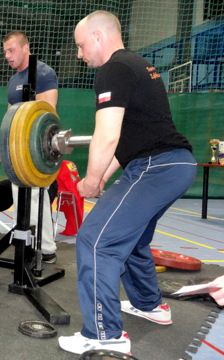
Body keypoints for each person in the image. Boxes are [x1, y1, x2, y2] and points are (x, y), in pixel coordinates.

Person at [57, 11, 196, 356]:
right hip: (176, 164)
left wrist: (89, 181)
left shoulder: (114, 69)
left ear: (99, 37)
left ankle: (104, 336)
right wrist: (103, 176)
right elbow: (129, 139)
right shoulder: (138, 66)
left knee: (94, 240)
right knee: (131, 237)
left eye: (80, 45)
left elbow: (107, 136)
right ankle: (150, 304)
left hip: (156, 167)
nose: (79, 54)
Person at [0, 31, 59, 263]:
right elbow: (11, 126)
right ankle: (28, 244)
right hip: (18, 153)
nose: (7, 55)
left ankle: (46, 249)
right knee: (21, 200)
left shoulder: (44, 74)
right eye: (5, 51)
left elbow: (47, 118)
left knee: (37, 199)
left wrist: (29, 150)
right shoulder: (13, 81)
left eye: (11, 50)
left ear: (26, 48)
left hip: (37, 151)